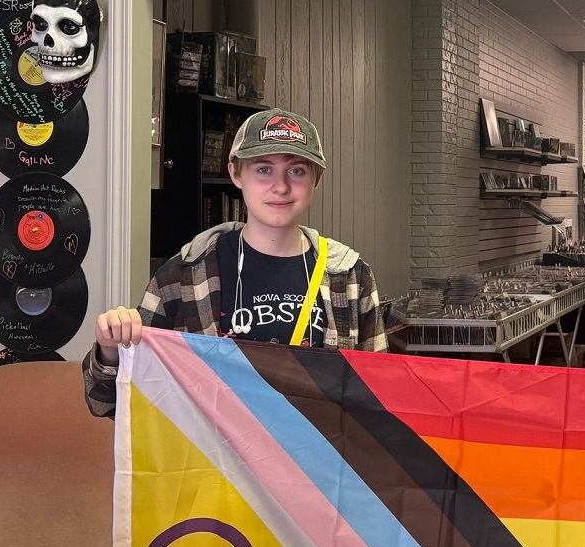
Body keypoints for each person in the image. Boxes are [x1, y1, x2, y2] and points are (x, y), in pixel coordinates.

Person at [83, 108, 387, 417]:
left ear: (316, 179)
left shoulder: (349, 277)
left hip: (316, 462)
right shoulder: (184, 276)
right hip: (213, 463)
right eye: (263, 169)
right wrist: (111, 348)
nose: (280, 186)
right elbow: (106, 403)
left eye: (297, 171)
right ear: (235, 173)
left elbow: (381, 401)